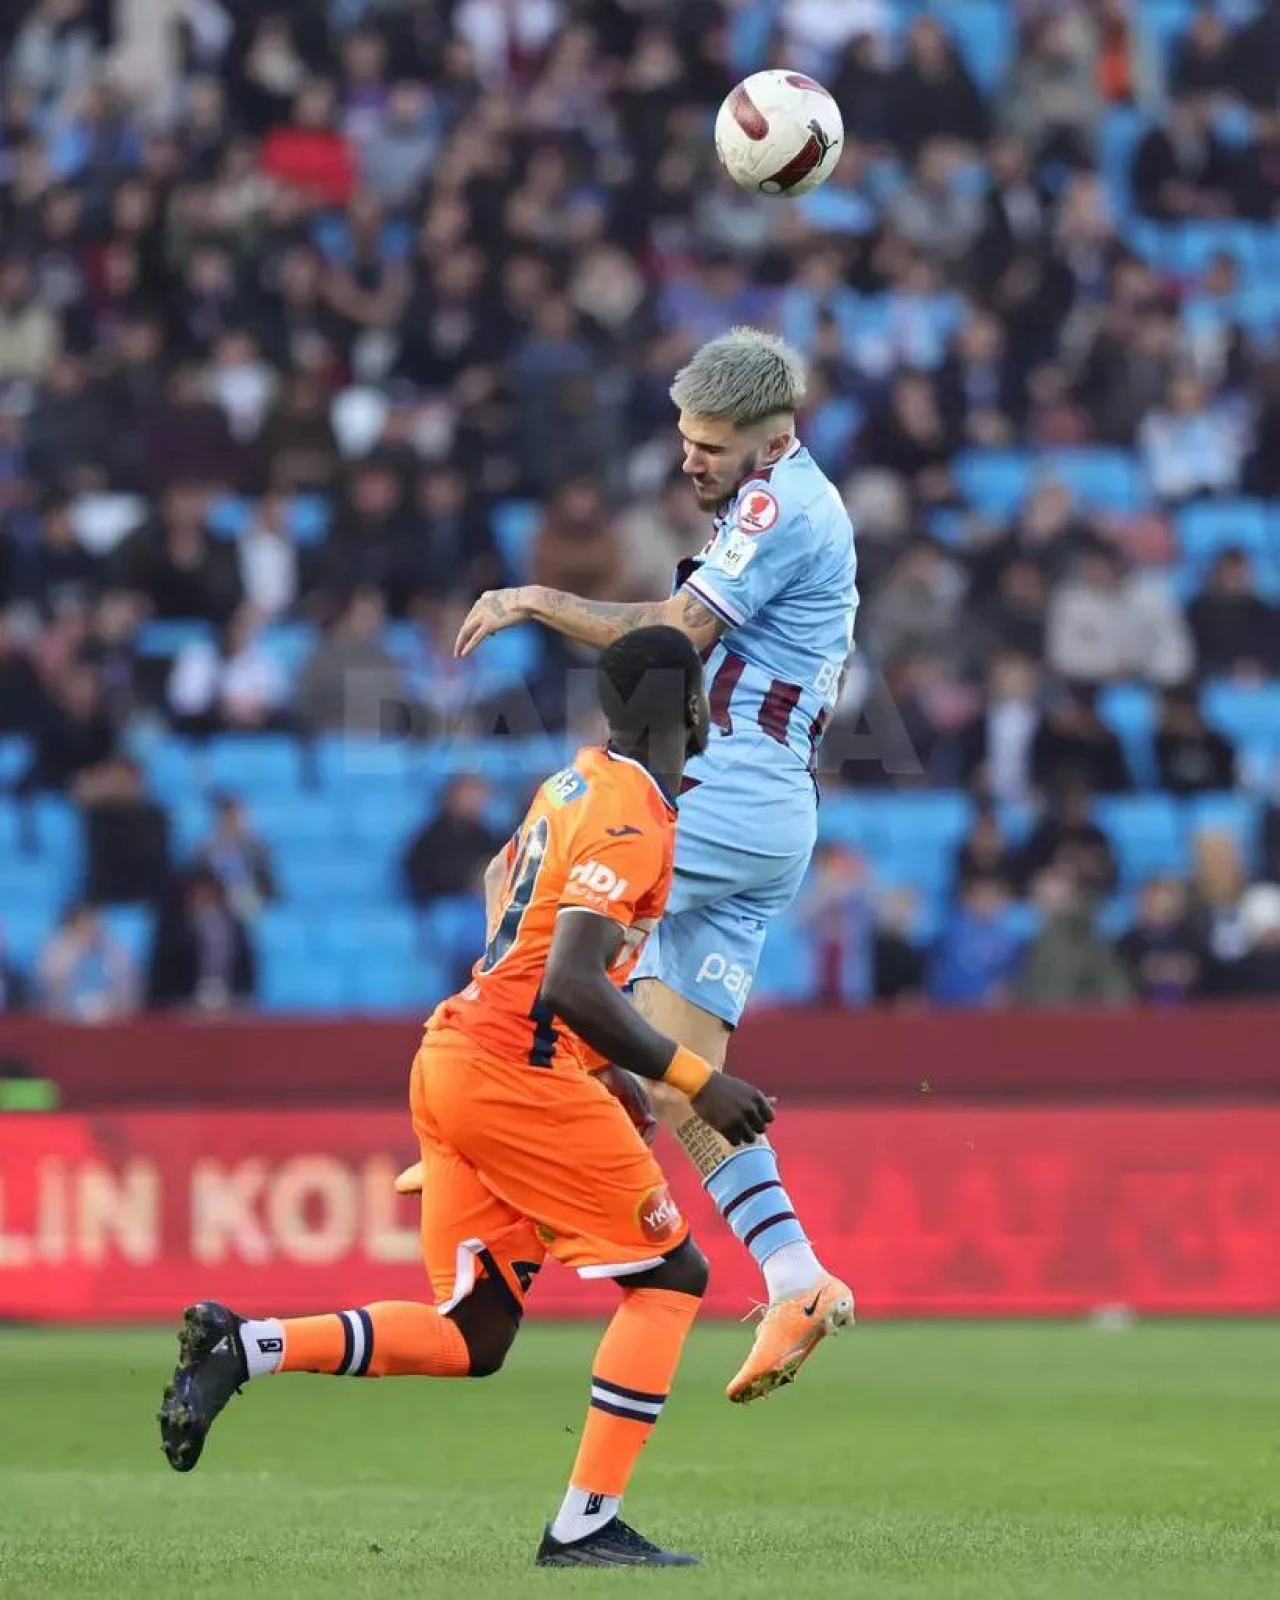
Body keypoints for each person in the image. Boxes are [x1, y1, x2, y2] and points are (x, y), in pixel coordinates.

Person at [157, 628, 786, 1568]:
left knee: (473, 1332)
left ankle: (244, 1348)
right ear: (691, 710)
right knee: (671, 1277)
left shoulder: (573, 782)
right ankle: (583, 1525)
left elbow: (509, 896)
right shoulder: (632, 815)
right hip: (510, 1071)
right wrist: (699, 1079)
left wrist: (603, 1067)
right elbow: (571, 983)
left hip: (454, 1052)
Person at [439, 328, 858, 1402]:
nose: (690, 460)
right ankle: (796, 1277)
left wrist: (533, 599)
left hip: (722, 789)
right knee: (682, 1085)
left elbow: (665, 640)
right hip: (768, 816)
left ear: (772, 439)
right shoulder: (784, 501)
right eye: (683, 439)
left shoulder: (773, 506)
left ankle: (489, 1133)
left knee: (521, 882)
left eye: (710, 445)